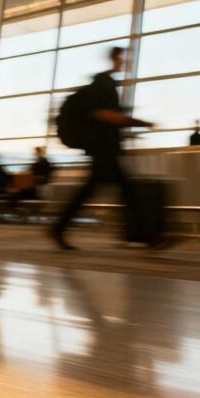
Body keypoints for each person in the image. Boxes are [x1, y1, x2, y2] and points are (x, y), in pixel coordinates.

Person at [53, 47, 154, 250]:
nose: (127, 61)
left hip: (102, 147)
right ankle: (147, 236)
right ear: (116, 59)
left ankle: (59, 228)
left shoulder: (103, 83)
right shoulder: (104, 84)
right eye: (124, 57)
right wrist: (140, 122)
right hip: (103, 148)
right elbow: (105, 115)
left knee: (96, 190)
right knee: (128, 190)